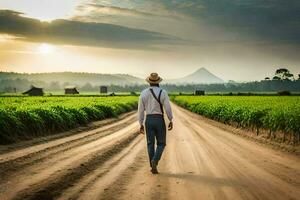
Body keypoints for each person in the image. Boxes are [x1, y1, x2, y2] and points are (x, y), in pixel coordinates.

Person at [138, 72, 173, 174]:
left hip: (148, 120)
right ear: (158, 82)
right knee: (161, 143)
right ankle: (155, 160)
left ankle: (152, 165)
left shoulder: (143, 93)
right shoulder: (163, 92)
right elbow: (167, 108)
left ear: (149, 82)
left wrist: (140, 123)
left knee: (150, 143)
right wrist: (170, 119)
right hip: (159, 120)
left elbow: (140, 110)